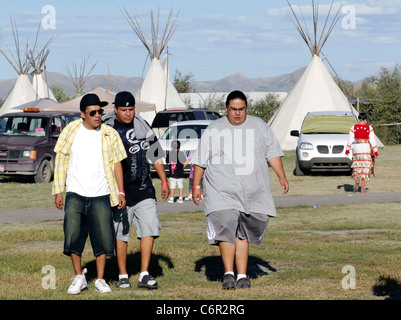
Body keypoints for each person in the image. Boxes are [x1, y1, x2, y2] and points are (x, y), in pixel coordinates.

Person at [192, 90, 289, 290]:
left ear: (246, 108)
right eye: (233, 109)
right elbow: (200, 160)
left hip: (252, 191)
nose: (237, 113)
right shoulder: (214, 129)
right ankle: (228, 274)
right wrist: (195, 185)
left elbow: (272, 152)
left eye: (241, 109)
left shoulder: (259, 126)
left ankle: (242, 275)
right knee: (226, 229)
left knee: (243, 233)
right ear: (226, 109)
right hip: (221, 189)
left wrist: (282, 176)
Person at [52, 93, 127, 294]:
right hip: (75, 192)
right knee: (73, 235)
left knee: (103, 237)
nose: (98, 115)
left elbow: (117, 163)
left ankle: (100, 279)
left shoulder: (109, 133)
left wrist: (121, 191)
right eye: (93, 112)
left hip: (102, 192)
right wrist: (58, 191)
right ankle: (79, 277)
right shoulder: (71, 131)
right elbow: (60, 161)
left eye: (100, 111)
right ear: (82, 114)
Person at [103, 91, 169, 289]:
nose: (128, 113)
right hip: (118, 191)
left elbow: (156, 155)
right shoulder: (107, 129)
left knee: (149, 227)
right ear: (115, 109)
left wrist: (164, 181)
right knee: (121, 233)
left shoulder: (143, 126)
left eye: (131, 109)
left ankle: (144, 274)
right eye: (123, 110)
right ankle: (122, 275)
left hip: (143, 188)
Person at [345, 113, 379, 193]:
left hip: (357, 147)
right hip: (365, 147)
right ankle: (363, 187)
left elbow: (350, 139)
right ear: (365, 119)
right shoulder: (369, 127)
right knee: (365, 167)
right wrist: (375, 151)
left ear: (359, 119)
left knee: (357, 166)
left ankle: (356, 181)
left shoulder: (354, 127)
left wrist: (347, 149)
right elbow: (372, 140)